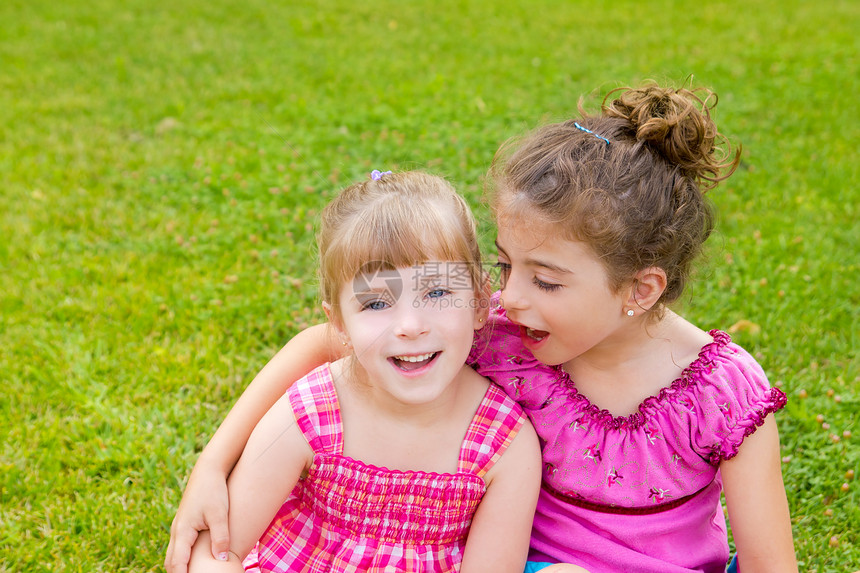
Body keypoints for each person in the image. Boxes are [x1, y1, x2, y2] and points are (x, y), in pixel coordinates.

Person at [167, 84, 797, 573]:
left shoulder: (721, 394)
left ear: (640, 289)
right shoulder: (503, 336)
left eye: (545, 280)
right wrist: (214, 461)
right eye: (504, 265)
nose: (511, 295)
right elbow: (321, 346)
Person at [181, 170, 543, 572]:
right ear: (339, 324)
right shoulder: (313, 411)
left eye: (437, 292)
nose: (410, 325)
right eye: (375, 303)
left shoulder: (504, 443)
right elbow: (217, 551)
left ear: (478, 304)